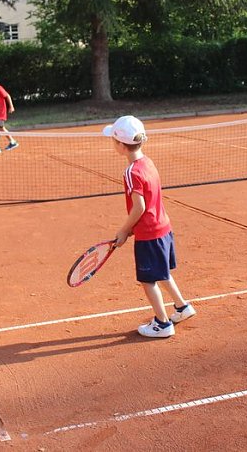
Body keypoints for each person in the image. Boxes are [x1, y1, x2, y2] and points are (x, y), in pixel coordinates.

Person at [103, 115, 195, 338]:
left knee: (148, 280)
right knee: (162, 272)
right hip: (163, 228)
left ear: (120, 146)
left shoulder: (131, 172)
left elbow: (139, 207)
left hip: (149, 235)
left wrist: (125, 230)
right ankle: (182, 307)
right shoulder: (148, 162)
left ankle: (162, 324)